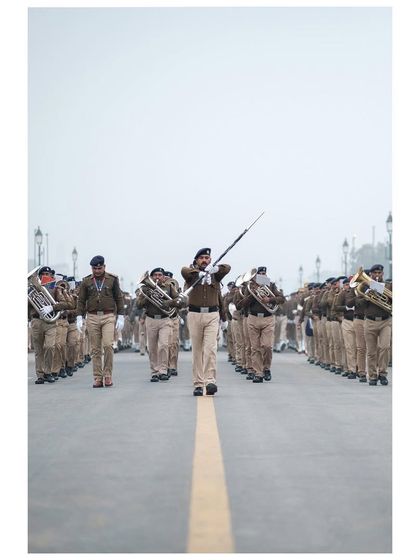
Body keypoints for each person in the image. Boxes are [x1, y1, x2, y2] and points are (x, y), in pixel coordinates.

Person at [181, 248, 230, 396]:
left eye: (207, 258)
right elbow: (184, 271)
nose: (204, 260)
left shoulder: (215, 275)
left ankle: (210, 381)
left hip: (212, 315)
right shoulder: (191, 274)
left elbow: (227, 268)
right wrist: (198, 274)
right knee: (197, 350)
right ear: (196, 260)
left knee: (210, 349)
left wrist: (215, 269)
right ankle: (198, 383)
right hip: (195, 314)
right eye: (201, 258)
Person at [76, 255, 125, 388]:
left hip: (108, 316)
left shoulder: (112, 280)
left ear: (104, 267)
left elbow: (118, 298)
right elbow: (81, 300)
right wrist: (79, 317)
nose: (97, 271)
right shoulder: (86, 281)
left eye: (99, 268)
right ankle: (98, 377)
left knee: (108, 345)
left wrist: (121, 315)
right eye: (94, 268)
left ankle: (108, 375)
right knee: (95, 349)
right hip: (91, 316)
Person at [235, 266, 285, 383]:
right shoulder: (250, 287)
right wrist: (253, 295)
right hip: (253, 318)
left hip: (268, 318)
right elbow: (241, 305)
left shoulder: (271, 285)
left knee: (267, 346)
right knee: (255, 347)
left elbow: (281, 299)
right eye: (260, 274)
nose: (262, 275)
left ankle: (266, 368)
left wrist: (269, 300)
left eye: (264, 273)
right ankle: (258, 372)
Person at [28, 266, 75, 384]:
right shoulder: (32, 290)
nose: (46, 276)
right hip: (37, 321)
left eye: (48, 274)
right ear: (38, 277)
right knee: (39, 350)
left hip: (51, 322)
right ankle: (40, 375)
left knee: (49, 347)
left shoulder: (56, 289)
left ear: (51, 276)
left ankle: (48, 372)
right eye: (43, 274)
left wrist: (52, 307)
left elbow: (69, 304)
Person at [136, 267, 181, 382]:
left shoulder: (169, 287)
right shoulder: (145, 288)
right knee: (152, 347)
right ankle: (154, 372)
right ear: (151, 277)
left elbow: (178, 301)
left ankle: (163, 371)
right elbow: (139, 305)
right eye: (155, 275)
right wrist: (148, 297)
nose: (157, 277)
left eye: (160, 275)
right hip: (151, 319)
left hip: (165, 319)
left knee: (164, 345)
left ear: (163, 277)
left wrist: (168, 302)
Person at [359, 264, 392, 386]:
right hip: (370, 321)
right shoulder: (364, 286)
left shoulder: (389, 286)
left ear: (382, 274)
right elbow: (357, 304)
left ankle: (382, 373)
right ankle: (372, 375)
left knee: (385, 347)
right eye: (375, 273)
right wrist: (367, 296)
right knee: (371, 351)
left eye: (379, 273)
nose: (377, 275)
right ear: (371, 274)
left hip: (385, 321)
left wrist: (384, 294)